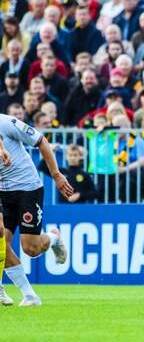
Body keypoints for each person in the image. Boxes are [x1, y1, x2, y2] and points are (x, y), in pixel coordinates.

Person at [0, 113, 73, 306]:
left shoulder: (7, 123)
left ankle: (53, 238)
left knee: (30, 249)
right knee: (1, 245)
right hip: (2, 192)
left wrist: (56, 175)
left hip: (27, 188)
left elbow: (41, 141)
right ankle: (29, 295)